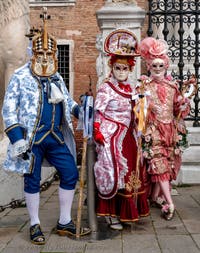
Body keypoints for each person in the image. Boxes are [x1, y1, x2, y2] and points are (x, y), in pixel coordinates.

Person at [1, 9, 90, 245]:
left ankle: (64, 221)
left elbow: (67, 100)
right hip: (31, 140)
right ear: (33, 53)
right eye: (40, 54)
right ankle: (34, 224)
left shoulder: (56, 77)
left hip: (56, 137)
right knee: (32, 180)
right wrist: (17, 139)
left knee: (70, 172)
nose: (44, 58)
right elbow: (8, 110)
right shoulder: (20, 76)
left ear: (53, 55)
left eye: (49, 54)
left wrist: (79, 111)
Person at [93, 29, 150, 231]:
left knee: (131, 173)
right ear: (112, 67)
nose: (121, 72)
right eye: (117, 68)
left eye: (125, 69)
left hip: (129, 135)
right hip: (111, 134)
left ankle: (127, 211)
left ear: (130, 69)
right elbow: (98, 113)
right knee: (113, 170)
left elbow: (137, 113)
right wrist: (99, 131)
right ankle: (110, 214)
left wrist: (142, 105)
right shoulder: (106, 88)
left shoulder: (133, 89)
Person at [139, 37, 194, 220]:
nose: (156, 69)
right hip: (153, 131)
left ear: (165, 66)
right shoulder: (144, 86)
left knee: (167, 166)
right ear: (148, 66)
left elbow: (178, 109)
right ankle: (170, 204)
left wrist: (183, 103)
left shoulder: (172, 86)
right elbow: (138, 112)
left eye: (160, 65)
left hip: (170, 131)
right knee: (158, 165)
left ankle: (155, 197)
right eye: (153, 65)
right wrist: (144, 105)